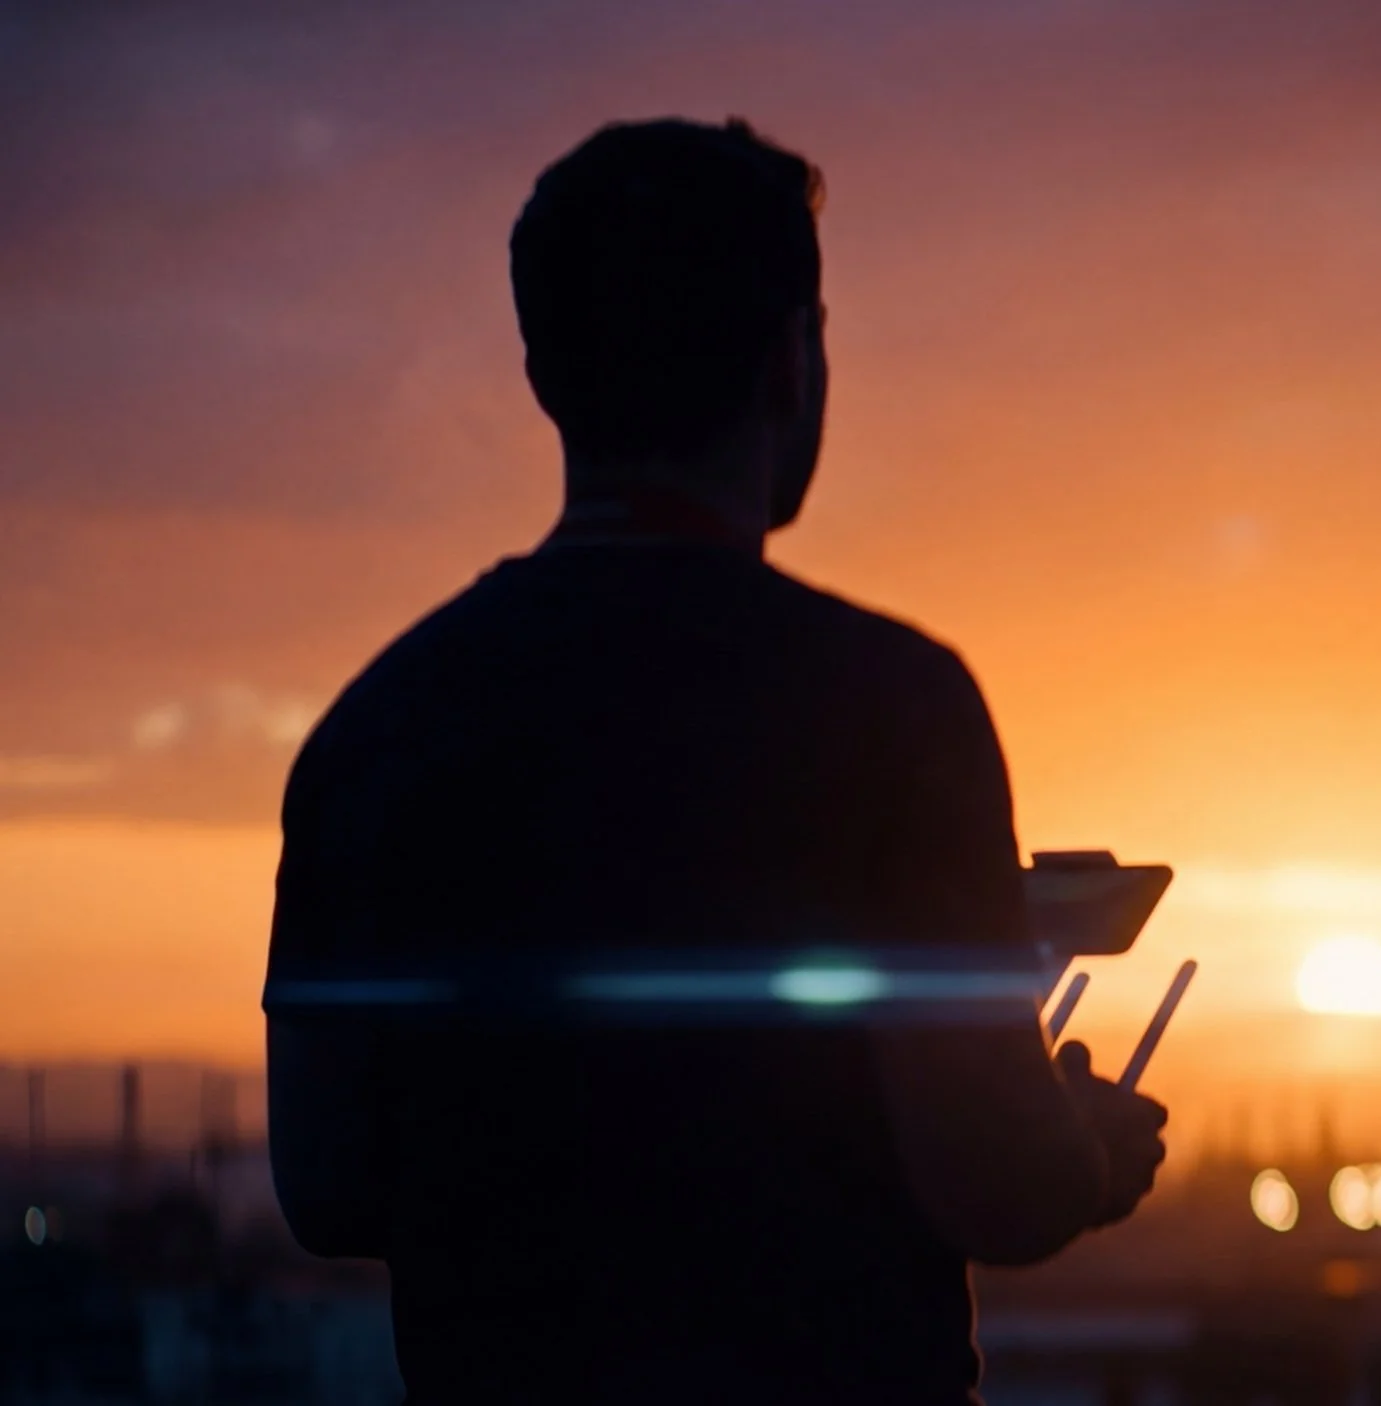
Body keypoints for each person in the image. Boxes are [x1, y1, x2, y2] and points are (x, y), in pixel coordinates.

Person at [261, 117, 1168, 1405]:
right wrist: (1082, 1149)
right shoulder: (891, 712)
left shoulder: (376, 733)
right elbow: (997, 1184)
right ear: (793, 366)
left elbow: (329, 1185)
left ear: (542, 370)